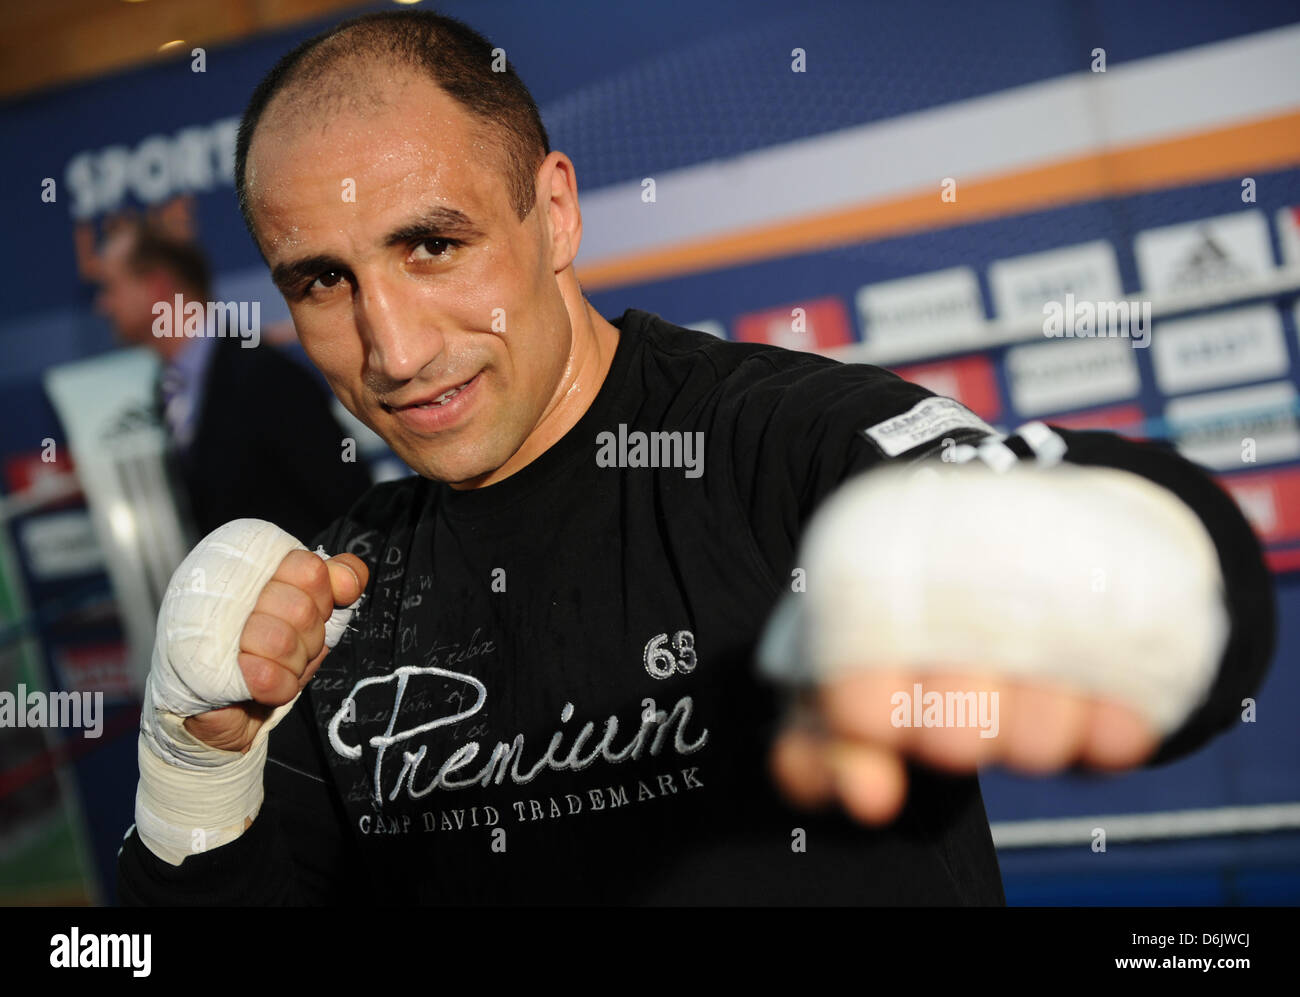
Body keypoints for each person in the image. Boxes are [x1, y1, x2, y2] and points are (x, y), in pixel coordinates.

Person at [117, 10, 1274, 905]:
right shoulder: (341, 598)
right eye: (323, 279)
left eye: (433, 244)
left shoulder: (783, 448)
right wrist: (192, 776)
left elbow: (1175, 573)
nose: (394, 346)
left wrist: (1115, 562)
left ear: (555, 213)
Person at [93, 219, 373, 544]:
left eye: (111, 287)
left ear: (156, 286)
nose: (103, 305)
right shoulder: (169, 390)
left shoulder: (266, 377)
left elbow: (349, 504)